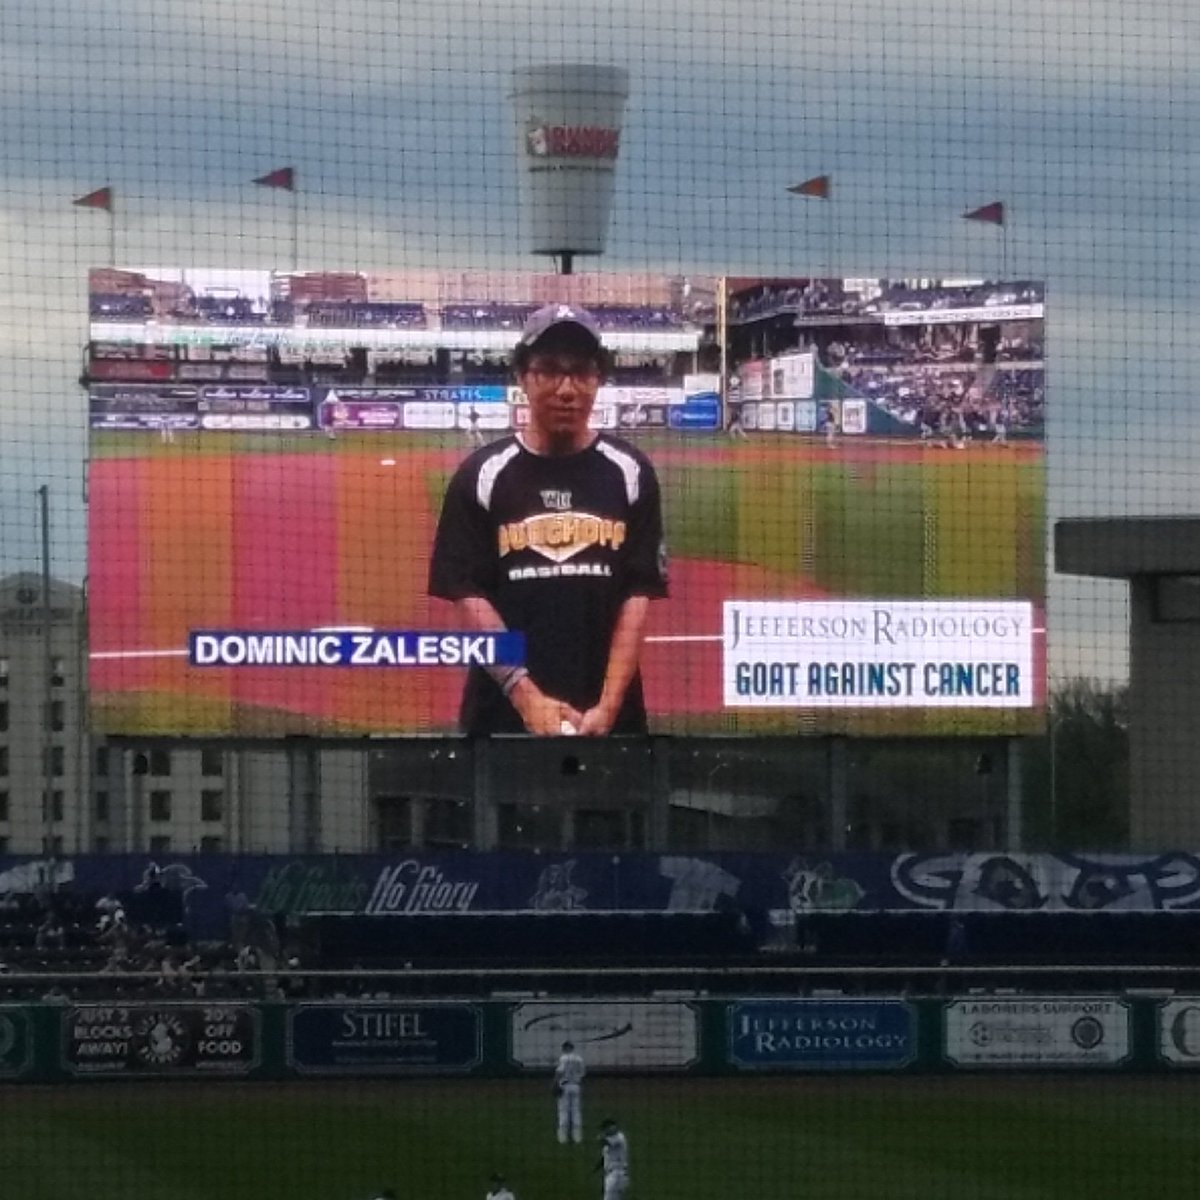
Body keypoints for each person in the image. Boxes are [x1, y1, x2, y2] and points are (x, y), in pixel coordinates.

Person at [429, 304, 669, 737]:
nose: (566, 388)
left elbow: (637, 597)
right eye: (549, 371)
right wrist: (527, 699)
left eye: (581, 372)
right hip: (501, 718)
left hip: (611, 719)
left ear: (599, 379)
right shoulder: (481, 475)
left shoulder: (631, 473)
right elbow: (468, 594)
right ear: (522, 377)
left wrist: (608, 707)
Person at [555, 1039, 586, 1144]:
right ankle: (577, 1138)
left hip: (565, 1086)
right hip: (576, 1086)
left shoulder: (564, 1058)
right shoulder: (579, 1059)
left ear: (566, 1048)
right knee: (576, 1111)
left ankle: (562, 1138)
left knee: (563, 1111)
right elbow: (582, 1074)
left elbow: (560, 1072)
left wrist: (554, 1083)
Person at [593, 1118, 629, 1200]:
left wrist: (601, 1136)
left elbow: (603, 1141)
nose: (603, 1131)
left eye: (604, 1128)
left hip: (617, 1175)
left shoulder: (619, 1137)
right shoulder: (611, 1139)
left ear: (612, 1127)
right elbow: (605, 1158)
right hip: (612, 1175)